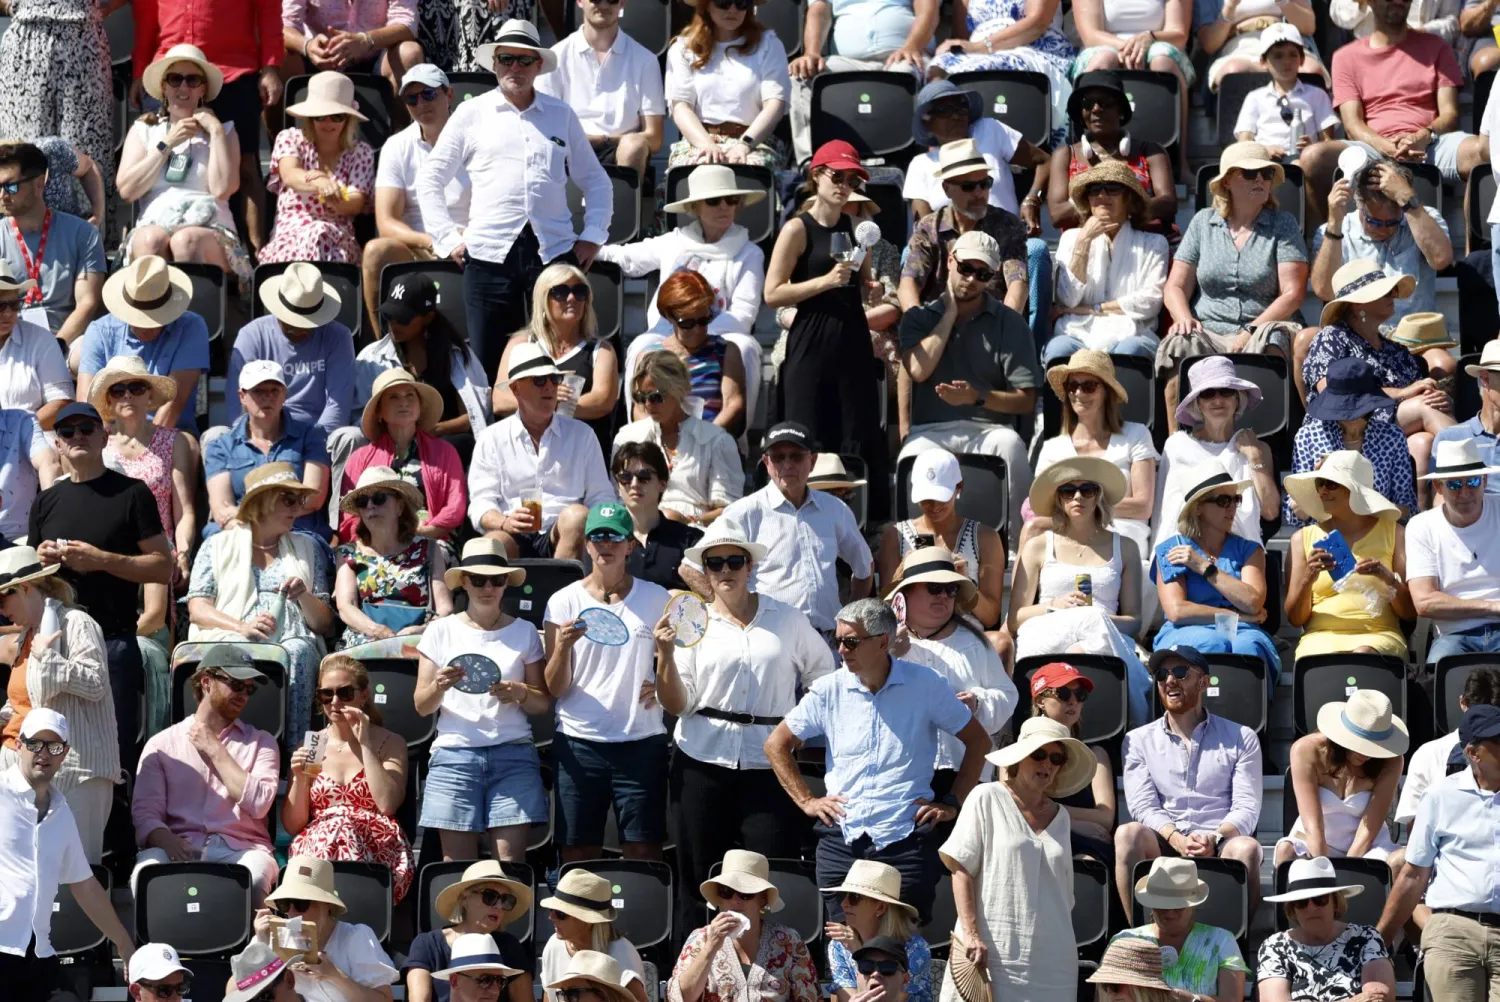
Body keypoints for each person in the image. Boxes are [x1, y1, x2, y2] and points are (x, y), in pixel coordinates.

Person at [765, 598, 992, 923]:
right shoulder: (829, 689)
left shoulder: (925, 684)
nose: (841, 649)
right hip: (842, 836)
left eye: (851, 641)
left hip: (906, 838)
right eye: (837, 640)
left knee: (903, 952)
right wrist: (806, 801)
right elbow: (776, 744)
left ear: (883, 642)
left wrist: (954, 802)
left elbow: (979, 741)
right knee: (843, 949)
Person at [653, 523, 832, 933]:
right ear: (707, 571)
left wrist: (797, 729)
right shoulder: (692, 624)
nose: (726, 570)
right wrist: (664, 656)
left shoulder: (787, 619)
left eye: (735, 561)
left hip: (768, 762)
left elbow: (825, 677)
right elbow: (678, 703)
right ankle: (692, 976)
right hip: (701, 756)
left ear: (750, 567)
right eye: (715, 563)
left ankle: (770, 973)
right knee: (697, 876)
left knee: (769, 872)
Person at [417, 18, 612, 380]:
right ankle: (493, 436)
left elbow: (597, 181)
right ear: (494, 64)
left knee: (561, 354)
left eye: (524, 60)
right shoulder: (470, 114)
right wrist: (446, 239)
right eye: (507, 59)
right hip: (488, 253)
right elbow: (429, 178)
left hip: (553, 250)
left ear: (539, 66)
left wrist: (594, 234)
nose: (515, 68)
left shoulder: (562, 114)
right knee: (491, 361)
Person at [30, 402, 173, 771]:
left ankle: (117, 828)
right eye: (67, 431)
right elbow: (30, 584)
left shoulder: (132, 493)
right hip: (55, 643)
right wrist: (40, 561)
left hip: (112, 642)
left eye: (87, 429)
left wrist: (102, 560)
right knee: (53, 755)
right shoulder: (45, 501)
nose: (78, 436)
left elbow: (163, 567)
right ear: (58, 444)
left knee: (114, 758)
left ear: (103, 436)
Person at [934, 714, 1093, 1001]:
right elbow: (960, 867)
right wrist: (970, 934)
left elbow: (1065, 895)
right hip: (992, 952)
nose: (1046, 763)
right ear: (1020, 758)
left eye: (1056, 759)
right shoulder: (986, 797)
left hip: (1054, 963)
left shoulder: (1063, 817)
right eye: (1039, 754)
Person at [545, 502, 671, 861]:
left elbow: (684, 655)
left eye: (614, 536)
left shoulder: (657, 597)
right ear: (586, 545)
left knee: (643, 849)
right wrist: (563, 649)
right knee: (577, 850)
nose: (606, 544)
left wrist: (663, 688)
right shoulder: (562, 600)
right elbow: (554, 687)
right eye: (597, 536)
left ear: (630, 545)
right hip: (579, 740)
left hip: (641, 739)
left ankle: (636, 919)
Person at [766, 143, 887, 511]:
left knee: (855, 437)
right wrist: (824, 282)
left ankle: (858, 522)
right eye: (837, 176)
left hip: (850, 341)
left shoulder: (854, 228)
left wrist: (872, 287)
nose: (844, 185)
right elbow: (772, 292)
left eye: (851, 179)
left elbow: (863, 285)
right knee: (806, 436)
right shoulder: (796, 229)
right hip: (810, 343)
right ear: (816, 175)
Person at [898, 229, 1038, 545]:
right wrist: (948, 315)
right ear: (950, 261)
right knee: (911, 456)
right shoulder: (918, 318)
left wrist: (977, 397)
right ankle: (913, 549)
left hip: (988, 431)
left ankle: (1019, 549)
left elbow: (1026, 401)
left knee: (1011, 447)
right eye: (966, 268)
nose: (972, 279)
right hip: (930, 431)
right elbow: (918, 370)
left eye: (983, 273)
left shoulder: (1009, 322)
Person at [1157, 142, 1307, 431]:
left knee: (1274, 338)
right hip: (1210, 328)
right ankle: (1177, 443)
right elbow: (1175, 286)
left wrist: (1250, 330)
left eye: (1265, 174)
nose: (1261, 180)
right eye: (1251, 174)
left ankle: (1277, 433)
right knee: (1178, 343)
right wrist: (1183, 317)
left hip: (1266, 323)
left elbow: (1293, 294)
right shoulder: (1202, 223)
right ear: (1227, 181)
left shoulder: (1283, 224)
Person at [414, 538, 548, 861]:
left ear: (506, 582)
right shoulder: (439, 631)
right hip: (454, 754)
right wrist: (439, 686)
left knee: (511, 868)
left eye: (497, 580)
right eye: (478, 579)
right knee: (456, 871)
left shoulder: (526, 631)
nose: (488, 587)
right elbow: (421, 704)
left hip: (512, 753)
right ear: (463, 581)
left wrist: (520, 693)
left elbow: (542, 703)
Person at [185, 462, 333, 743]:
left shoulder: (307, 547)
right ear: (261, 502)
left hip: (292, 638)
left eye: (300, 499)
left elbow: (323, 623)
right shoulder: (216, 545)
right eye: (289, 499)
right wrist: (242, 627)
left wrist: (304, 596)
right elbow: (197, 609)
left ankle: (294, 752)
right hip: (232, 633)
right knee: (227, 651)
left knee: (298, 650)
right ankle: (214, 743)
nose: (298, 507)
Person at [601, 169, 763, 421]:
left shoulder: (750, 252)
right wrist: (586, 248)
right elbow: (625, 257)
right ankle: (639, 435)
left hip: (719, 332)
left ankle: (735, 436)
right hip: (667, 330)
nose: (724, 207)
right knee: (641, 346)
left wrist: (698, 331)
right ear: (695, 207)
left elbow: (743, 312)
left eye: (731, 200)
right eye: (714, 201)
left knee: (745, 347)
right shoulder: (674, 242)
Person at [1114, 646, 1264, 916]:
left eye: (1181, 672)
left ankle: (1241, 944)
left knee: (1248, 848)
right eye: (1162, 674)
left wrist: (1215, 837)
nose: (1169, 680)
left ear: (1204, 682)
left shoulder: (1242, 737)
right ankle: (1139, 937)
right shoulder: (1137, 740)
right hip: (1164, 839)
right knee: (1128, 834)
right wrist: (1175, 838)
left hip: (1220, 842)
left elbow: (1247, 808)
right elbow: (1142, 806)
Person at [128, 0, 283, 252]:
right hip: (172, 75)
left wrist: (271, 66)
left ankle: (256, 257)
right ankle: (159, 247)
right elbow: (145, 17)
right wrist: (140, 71)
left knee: (246, 167)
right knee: (157, 160)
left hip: (234, 73)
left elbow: (269, 9)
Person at [0, 709, 134, 1000]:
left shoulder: (61, 813)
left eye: (54, 746)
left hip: (38, 954)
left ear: (65, 753)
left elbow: (84, 884)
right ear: (19, 745)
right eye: (34, 743)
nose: (43, 753)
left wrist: (123, 943)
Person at [130, 646, 280, 902]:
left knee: (254, 879)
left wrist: (215, 748)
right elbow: (145, 815)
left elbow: (258, 805)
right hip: (179, 844)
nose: (244, 695)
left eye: (249, 689)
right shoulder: (162, 744)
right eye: (236, 684)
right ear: (207, 682)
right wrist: (166, 840)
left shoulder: (262, 742)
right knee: (145, 875)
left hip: (242, 848)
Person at [1304, 0, 1487, 208]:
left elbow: (1450, 115)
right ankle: (1326, 238)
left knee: (1483, 152)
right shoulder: (1345, 57)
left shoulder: (1437, 47)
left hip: (1429, 145)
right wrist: (1390, 148)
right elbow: (1353, 125)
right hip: (1371, 148)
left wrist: (1422, 136)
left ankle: (1477, 241)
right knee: (1313, 158)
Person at [1010, 457, 1151, 723]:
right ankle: (1137, 719)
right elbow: (1015, 619)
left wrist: (1093, 622)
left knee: (1093, 622)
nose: (1078, 496)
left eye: (1088, 489)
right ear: (1058, 498)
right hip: (1048, 631)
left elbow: (1134, 622)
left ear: (1099, 496)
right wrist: (1054, 606)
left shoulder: (1126, 547)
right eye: (1068, 490)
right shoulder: (1038, 546)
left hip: (1100, 643)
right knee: (1091, 620)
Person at [0, 547, 117, 862]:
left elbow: (95, 684)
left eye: (2, 599)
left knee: (74, 876)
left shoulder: (77, 622)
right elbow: (24, 703)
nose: (1, 611)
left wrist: (49, 658)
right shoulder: (27, 635)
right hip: (27, 768)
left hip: (77, 772)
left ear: (25, 588)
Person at [1379, 701, 1500, 997]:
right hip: (1452, 931)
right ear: (1473, 753)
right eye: (1498, 741)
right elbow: (1412, 875)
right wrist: (1381, 939)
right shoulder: (1440, 795)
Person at [1300, 259, 1454, 489]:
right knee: (1425, 407)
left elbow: (1420, 396)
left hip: (1391, 428)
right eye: (1385, 292)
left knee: (1423, 443)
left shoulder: (1397, 351)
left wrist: (1440, 398)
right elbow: (1331, 392)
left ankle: (1418, 521)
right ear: (1357, 304)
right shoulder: (1331, 337)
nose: (1393, 295)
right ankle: (1481, 469)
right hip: (1343, 426)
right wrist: (1403, 392)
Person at [716, 421, 874, 637]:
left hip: (826, 639)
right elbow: (691, 567)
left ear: (813, 460)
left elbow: (865, 567)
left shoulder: (835, 509)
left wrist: (850, 620)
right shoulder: (744, 511)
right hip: (770, 638)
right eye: (778, 457)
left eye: (796, 456)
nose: (787, 464)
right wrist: (732, 617)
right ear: (766, 462)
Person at [283, 655, 413, 901]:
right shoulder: (314, 744)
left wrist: (364, 744)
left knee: (342, 827)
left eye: (344, 693)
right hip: (319, 844)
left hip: (377, 844)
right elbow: (293, 826)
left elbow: (387, 804)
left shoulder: (389, 742)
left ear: (363, 695)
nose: (335, 702)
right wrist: (300, 780)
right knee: (335, 827)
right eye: (326, 694)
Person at [116, 45, 250, 283]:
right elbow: (127, 190)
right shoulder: (144, 130)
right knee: (151, 241)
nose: (183, 87)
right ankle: (151, 318)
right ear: (164, 87)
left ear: (203, 89)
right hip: (155, 222)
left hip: (211, 227)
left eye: (193, 80)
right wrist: (166, 144)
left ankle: (194, 319)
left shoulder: (225, 131)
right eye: (175, 79)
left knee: (185, 241)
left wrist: (215, 131)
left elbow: (223, 189)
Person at [468, 343, 614, 559]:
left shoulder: (582, 434)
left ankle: (562, 591)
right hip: (511, 530)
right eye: (539, 380)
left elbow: (601, 496)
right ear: (515, 388)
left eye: (554, 379)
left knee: (576, 517)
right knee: (492, 543)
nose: (549, 387)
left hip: (564, 532)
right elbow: (481, 502)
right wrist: (504, 522)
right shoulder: (492, 438)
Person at [889, 547, 1018, 776]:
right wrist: (889, 658)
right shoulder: (881, 642)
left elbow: (1007, 696)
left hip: (965, 771)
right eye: (934, 588)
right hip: (901, 774)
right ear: (906, 593)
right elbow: (857, 694)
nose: (943, 596)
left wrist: (978, 702)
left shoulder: (975, 643)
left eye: (950, 590)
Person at [1153, 462, 1281, 683]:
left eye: (1235, 500)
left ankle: (1250, 715)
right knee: (1211, 642)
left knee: (1248, 646)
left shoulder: (1249, 550)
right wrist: (1236, 617)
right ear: (1198, 507)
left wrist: (1203, 566)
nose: (1232, 507)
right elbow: (1177, 611)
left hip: (1243, 631)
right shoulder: (1172, 549)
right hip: (1187, 629)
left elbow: (1252, 602)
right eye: (1223, 501)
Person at [1283, 450, 1414, 659]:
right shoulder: (1302, 539)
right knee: (1324, 659)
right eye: (1320, 484)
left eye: (1331, 484)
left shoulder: (1395, 533)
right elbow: (1295, 619)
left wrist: (1386, 578)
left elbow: (1409, 612)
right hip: (1320, 637)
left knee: (1361, 655)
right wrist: (1308, 576)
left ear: (1356, 490)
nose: (1323, 491)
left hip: (1378, 634)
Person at [363, 64, 466, 326]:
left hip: (470, 240)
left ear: (449, 94)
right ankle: (383, 347)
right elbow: (386, 221)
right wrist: (430, 241)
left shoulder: (476, 135)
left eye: (429, 94)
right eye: (412, 98)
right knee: (375, 251)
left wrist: (461, 238)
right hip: (419, 246)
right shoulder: (396, 146)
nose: (421, 103)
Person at [1306, 159, 1453, 339]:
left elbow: (1441, 259)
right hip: (1356, 336)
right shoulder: (1334, 230)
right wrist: (1334, 224)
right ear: (1359, 206)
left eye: (1392, 222)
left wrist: (1408, 200)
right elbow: (1325, 290)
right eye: (1374, 222)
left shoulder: (1423, 217)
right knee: (1306, 341)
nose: (1385, 229)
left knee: (1443, 365)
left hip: (1414, 335)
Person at [1029, 350, 1157, 557]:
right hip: (1068, 534)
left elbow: (1143, 507)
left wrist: (1081, 507)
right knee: (1033, 529)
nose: (1079, 393)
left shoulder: (1136, 434)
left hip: (1122, 533)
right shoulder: (1053, 448)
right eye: (1073, 386)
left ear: (1106, 392)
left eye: (1088, 386)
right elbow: (1040, 505)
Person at [1044, 160, 1167, 366]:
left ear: (1129, 198)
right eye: (1094, 190)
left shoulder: (1153, 243)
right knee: (1058, 350)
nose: (1102, 196)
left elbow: (1150, 302)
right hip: (1077, 332)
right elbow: (1068, 299)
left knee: (1130, 351)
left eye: (1112, 189)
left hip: (1131, 333)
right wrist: (1083, 242)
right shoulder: (1071, 239)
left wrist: (1090, 308)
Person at [75, 255, 209, 435]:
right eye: (138, 318)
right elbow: (87, 404)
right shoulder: (99, 330)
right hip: (111, 435)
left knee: (187, 447)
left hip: (171, 435)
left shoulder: (191, 327)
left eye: (154, 319)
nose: (145, 327)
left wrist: (145, 452)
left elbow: (173, 403)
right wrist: (111, 445)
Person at [787, 0, 934, 164]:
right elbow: (819, 11)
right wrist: (812, 52)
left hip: (903, 55)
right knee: (801, 76)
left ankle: (910, 160)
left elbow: (928, 9)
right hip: (848, 60)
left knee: (904, 74)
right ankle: (812, 162)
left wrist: (912, 45)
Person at [877, 449, 1007, 633]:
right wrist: (902, 574)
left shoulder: (986, 538)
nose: (935, 506)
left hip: (965, 634)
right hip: (912, 635)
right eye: (927, 498)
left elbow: (990, 617)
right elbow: (886, 612)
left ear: (959, 488)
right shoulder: (894, 535)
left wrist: (964, 581)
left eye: (941, 497)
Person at [1155, 356, 1278, 550]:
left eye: (1226, 392)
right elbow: (1166, 517)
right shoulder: (1176, 446)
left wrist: (1254, 457)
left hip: (1240, 555)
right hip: (1182, 552)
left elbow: (1270, 511)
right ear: (1198, 404)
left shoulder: (1258, 448)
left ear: (1238, 399)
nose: (1218, 400)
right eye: (1208, 394)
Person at [491, 263, 621, 446]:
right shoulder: (520, 343)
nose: (571, 298)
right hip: (527, 449)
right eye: (560, 291)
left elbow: (602, 402)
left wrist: (545, 405)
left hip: (581, 450)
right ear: (543, 300)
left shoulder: (602, 350)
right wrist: (553, 402)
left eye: (580, 291)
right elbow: (500, 401)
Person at [354, 273, 491, 447]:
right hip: (389, 446)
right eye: (389, 315)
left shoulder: (458, 355)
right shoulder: (371, 357)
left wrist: (435, 431)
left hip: (444, 445)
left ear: (428, 317)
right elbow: (359, 417)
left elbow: (474, 416)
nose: (394, 323)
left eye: (403, 318)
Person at [535, 0, 665, 181]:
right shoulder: (556, 57)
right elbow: (545, 127)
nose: (604, 4)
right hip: (570, 148)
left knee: (634, 144)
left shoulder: (645, 60)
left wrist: (608, 141)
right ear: (580, 1)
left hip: (621, 152)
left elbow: (655, 138)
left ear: (622, 3)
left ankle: (620, 208)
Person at [94, 355, 196, 585]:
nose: (127, 395)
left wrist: (182, 555)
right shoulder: (98, 444)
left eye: (137, 387)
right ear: (109, 399)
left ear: (150, 394)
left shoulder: (174, 441)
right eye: (118, 390)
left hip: (159, 557)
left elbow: (184, 512)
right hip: (110, 556)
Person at [900, 138, 1029, 318]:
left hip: (990, 323)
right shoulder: (929, 227)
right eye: (968, 186)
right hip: (939, 323)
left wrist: (1003, 326)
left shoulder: (1007, 225)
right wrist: (915, 321)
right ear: (947, 189)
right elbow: (909, 280)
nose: (979, 193)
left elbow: (1017, 282)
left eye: (985, 184)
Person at [1277, 690, 1406, 870]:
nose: (1366, 754)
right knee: (1285, 851)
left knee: (1401, 860)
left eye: (1374, 747)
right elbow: (1312, 826)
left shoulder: (1392, 761)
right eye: (1359, 743)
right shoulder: (1305, 750)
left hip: (1368, 845)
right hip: (1312, 839)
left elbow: (1369, 829)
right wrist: (1325, 871)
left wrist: (1348, 871)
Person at [667, 849, 819, 1002]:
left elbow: (809, 997)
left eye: (745, 893)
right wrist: (711, 946)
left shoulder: (788, 941)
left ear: (763, 899)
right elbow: (679, 998)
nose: (734, 901)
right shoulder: (700, 939)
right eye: (726, 892)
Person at [204, 360, 331, 540]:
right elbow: (222, 509)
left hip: (298, 533)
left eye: (274, 390)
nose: (268, 397)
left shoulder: (311, 435)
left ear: (284, 395)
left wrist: (249, 514)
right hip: (241, 533)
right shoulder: (221, 446)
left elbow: (312, 499)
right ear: (242, 396)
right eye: (259, 391)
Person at [225, 262, 355, 438]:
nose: (300, 329)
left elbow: (338, 406)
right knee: (213, 436)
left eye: (307, 322)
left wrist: (313, 444)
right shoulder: (251, 335)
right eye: (291, 323)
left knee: (349, 436)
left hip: (317, 434)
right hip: (262, 433)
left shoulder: (338, 336)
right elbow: (238, 404)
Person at [259, 72, 375, 266]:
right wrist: (320, 182)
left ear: (347, 119)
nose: (327, 123)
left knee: (319, 233)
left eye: (336, 116)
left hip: (338, 239)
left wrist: (333, 198)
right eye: (320, 116)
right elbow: (290, 175)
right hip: (289, 236)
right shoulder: (290, 138)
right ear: (310, 117)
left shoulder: (360, 152)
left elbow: (356, 201)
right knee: (314, 234)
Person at [1284, 358, 1418, 525]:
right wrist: (1315, 483)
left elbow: (1407, 509)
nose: (1348, 415)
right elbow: (1295, 515)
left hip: (1377, 537)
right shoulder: (1308, 436)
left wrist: (1364, 514)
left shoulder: (1392, 437)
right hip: (1327, 539)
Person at [614, 351, 741, 526]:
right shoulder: (628, 438)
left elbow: (731, 510)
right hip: (638, 530)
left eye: (656, 397)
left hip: (696, 534)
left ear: (677, 390)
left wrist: (689, 520)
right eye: (641, 397)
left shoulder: (716, 440)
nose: (648, 405)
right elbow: (617, 499)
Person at [342, 368, 469, 543]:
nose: (404, 402)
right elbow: (351, 517)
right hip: (376, 544)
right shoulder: (359, 458)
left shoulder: (445, 452)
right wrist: (379, 541)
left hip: (432, 539)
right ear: (379, 412)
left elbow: (455, 506)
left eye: (410, 395)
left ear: (419, 406)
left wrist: (424, 532)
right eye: (393, 397)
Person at [927, 0, 1075, 149]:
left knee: (989, 66)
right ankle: (942, 155)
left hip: (1031, 45)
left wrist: (981, 47)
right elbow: (960, 37)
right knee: (938, 70)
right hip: (974, 51)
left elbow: (1037, 22)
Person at [620, 267, 750, 436]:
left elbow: (733, 404)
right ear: (668, 316)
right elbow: (641, 410)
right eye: (687, 323)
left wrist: (705, 440)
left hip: (712, 442)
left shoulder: (725, 351)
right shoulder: (649, 356)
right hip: (662, 444)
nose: (697, 330)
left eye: (704, 321)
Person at [1045, 70, 1177, 235]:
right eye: (1088, 103)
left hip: (1142, 244)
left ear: (1121, 110)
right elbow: (1057, 215)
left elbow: (1168, 202)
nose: (1096, 109)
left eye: (1105, 103)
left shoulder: (1151, 152)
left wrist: (1111, 208)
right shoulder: (1065, 154)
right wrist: (1118, 207)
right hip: (1085, 244)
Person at [0, 142, 105, 348]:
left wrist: (55, 347)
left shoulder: (82, 233)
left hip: (65, 341)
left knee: (84, 353)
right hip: (8, 342)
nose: (2, 196)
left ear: (39, 183)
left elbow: (88, 302)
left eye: (10, 186)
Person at [663, 0, 790, 170]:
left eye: (741, 3)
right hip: (699, 140)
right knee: (695, 168)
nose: (732, 9)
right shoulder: (683, 48)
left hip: (755, 141)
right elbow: (681, 107)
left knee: (752, 168)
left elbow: (775, 104)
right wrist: (706, 145)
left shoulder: (768, 44)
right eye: (723, 2)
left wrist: (744, 144)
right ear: (706, 5)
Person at [1069, 0, 1193, 174]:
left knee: (1163, 63)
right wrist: (1130, 49)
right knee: (1103, 61)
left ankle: (1180, 163)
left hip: (1156, 42)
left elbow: (1179, 34)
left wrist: (1150, 38)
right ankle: (1086, 160)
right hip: (1104, 46)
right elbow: (1091, 35)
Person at [253, 855, 399, 1002]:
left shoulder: (356, 937)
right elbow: (233, 991)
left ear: (326, 904)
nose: (291, 912)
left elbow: (385, 999)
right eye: (284, 904)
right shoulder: (272, 936)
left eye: (301, 904)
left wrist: (334, 975)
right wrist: (261, 949)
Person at [335, 466, 453, 647]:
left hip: (420, 636)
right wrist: (377, 631)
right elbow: (346, 606)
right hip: (366, 637)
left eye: (379, 498)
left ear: (399, 506)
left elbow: (445, 609)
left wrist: (422, 630)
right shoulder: (348, 553)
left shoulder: (428, 548)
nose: (370, 506)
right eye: (362, 502)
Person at [904, 80, 1048, 227]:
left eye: (961, 108)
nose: (956, 116)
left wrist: (1033, 199)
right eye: (944, 110)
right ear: (927, 121)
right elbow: (923, 228)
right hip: (952, 245)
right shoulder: (920, 164)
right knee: (907, 251)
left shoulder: (990, 130)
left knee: (1037, 248)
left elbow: (1046, 161)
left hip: (1008, 240)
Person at [1407, 439, 1500, 661]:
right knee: (1439, 673)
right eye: (1455, 485)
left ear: (1485, 481)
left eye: (1473, 481)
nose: (1465, 492)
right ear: (1439, 486)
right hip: (1454, 635)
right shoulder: (1422, 526)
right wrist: (1492, 607)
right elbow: (1424, 602)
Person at [1115, 858, 1250, 1002]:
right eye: (1161, 905)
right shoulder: (1125, 941)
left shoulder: (1222, 940)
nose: (1170, 912)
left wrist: (1192, 999)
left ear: (1193, 905)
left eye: (1178, 905)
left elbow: (1232, 999)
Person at [1261, 857, 1395, 1002]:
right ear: (1292, 909)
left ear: (1335, 902)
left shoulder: (1366, 937)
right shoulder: (1275, 946)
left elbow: (1380, 997)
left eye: (1320, 899)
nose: (1311, 908)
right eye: (1301, 902)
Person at [403, 862, 534, 1002]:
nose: (499, 906)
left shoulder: (510, 946)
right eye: (490, 897)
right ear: (465, 899)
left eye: (505, 900)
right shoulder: (428, 944)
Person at [1027, 662, 1116, 861]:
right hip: (1035, 837)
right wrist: (1068, 821)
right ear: (1041, 700)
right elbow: (1017, 809)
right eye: (1064, 694)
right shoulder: (1018, 751)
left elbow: (1105, 818)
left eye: (1080, 695)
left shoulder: (1096, 755)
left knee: (1088, 861)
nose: (1073, 701)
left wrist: (1050, 812)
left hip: (1083, 843)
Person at [1396, 666, 1500, 828]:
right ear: (1463, 703)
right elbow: (1416, 829)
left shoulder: (1428, 753)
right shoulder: (1428, 754)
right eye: (1479, 715)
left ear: (1463, 702)